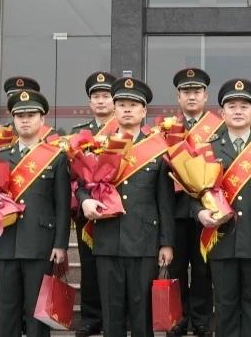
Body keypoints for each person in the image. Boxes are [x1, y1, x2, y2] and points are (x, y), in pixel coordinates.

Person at [76, 77, 175, 337]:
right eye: (121, 104)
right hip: (107, 239)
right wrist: (85, 199)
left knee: (142, 314)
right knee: (112, 313)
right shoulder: (98, 146)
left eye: (133, 105)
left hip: (144, 242)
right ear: (114, 109)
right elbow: (83, 184)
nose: (127, 109)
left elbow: (165, 201)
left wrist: (166, 243)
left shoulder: (157, 149)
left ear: (144, 111)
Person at [194, 78, 251, 337]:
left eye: (244, 107)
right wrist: (199, 213)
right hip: (221, 238)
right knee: (225, 305)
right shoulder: (208, 148)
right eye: (232, 106)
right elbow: (194, 193)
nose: (238, 111)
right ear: (222, 112)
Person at [0, 90, 70, 337]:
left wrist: (60, 244)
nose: (25, 120)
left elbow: (62, 205)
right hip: (5, 242)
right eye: (20, 116)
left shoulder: (56, 158)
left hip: (40, 244)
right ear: (14, 120)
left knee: (36, 312)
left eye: (31, 115)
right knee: (7, 310)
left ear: (42, 119)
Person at [167, 68, 220, 337]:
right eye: (186, 92)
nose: (191, 96)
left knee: (202, 268)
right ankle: (178, 318)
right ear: (178, 97)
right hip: (175, 210)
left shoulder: (217, 129)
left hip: (206, 210)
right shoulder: (166, 129)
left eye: (196, 91)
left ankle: (201, 319)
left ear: (205, 96)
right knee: (176, 268)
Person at [69, 71, 118, 337]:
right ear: (90, 102)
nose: (101, 101)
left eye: (105, 96)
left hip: (116, 210)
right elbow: (73, 176)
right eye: (96, 96)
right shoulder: (79, 134)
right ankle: (91, 318)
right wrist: (83, 199)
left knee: (116, 269)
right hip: (86, 210)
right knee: (89, 266)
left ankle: (118, 316)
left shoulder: (124, 131)